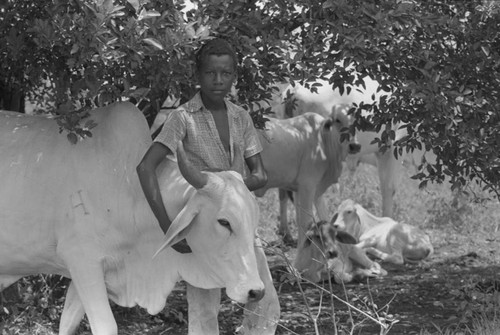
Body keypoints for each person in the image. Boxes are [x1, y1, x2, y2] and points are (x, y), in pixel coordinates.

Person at [137, 38, 279, 334]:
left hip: (239, 221)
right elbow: (145, 168)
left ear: (233, 76)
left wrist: (230, 187)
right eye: (210, 73)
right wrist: (169, 228)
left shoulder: (241, 118)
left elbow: (260, 175)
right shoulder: (181, 118)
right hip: (205, 227)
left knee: (264, 298)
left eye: (225, 74)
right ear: (197, 76)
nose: (218, 81)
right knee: (204, 308)